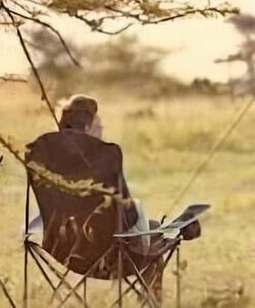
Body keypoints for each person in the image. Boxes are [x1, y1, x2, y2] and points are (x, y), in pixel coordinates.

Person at [57, 94, 202, 243]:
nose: (102, 128)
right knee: (159, 231)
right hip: (109, 244)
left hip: (71, 242)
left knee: (155, 226)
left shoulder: (57, 161)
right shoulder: (103, 161)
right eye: (98, 125)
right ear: (87, 129)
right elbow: (127, 213)